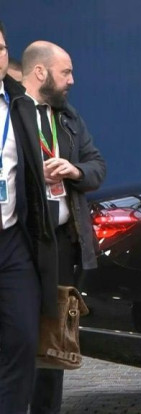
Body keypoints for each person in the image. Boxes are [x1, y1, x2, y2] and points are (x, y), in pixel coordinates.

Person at [21, 40, 106, 414]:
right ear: (41, 72)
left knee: (55, 342)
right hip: (20, 242)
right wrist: (30, 175)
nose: (72, 80)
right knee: (19, 336)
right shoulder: (12, 116)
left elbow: (97, 165)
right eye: (65, 72)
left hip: (61, 244)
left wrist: (74, 171)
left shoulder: (69, 118)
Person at [0, 22, 57, 414]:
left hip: (11, 241)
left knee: (22, 340)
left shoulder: (18, 105)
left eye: (2, 47)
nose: (0, 54)